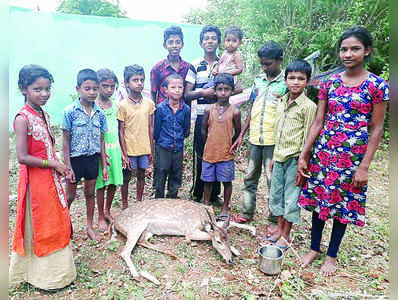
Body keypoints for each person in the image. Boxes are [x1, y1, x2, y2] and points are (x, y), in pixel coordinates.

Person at [297, 26, 389, 276]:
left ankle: (332, 254)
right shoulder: (329, 82)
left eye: (355, 49)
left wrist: (364, 166)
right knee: (319, 202)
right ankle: (314, 248)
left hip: (352, 158)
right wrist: (305, 154)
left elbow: (377, 129)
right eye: (344, 49)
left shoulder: (377, 85)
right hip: (325, 153)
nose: (348, 54)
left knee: (343, 206)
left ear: (366, 51)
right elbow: (318, 121)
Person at [9, 65, 76, 290]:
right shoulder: (22, 118)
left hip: (50, 178)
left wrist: (59, 166)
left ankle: (58, 273)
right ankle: (38, 274)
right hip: (35, 181)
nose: (44, 94)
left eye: (48, 89)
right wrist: (53, 164)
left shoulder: (43, 114)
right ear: (23, 89)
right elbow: (22, 156)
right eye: (38, 89)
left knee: (55, 220)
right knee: (40, 221)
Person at [231, 41, 288, 238]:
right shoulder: (258, 81)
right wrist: (241, 135)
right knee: (249, 177)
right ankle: (247, 212)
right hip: (255, 138)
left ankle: (273, 219)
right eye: (262, 64)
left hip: (274, 141)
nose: (265, 67)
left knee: (273, 180)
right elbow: (252, 109)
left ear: (279, 61)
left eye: (269, 64)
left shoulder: (287, 83)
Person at [185, 25, 243, 204]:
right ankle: (198, 193)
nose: (209, 41)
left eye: (213, 38)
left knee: (221, 153)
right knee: (202, 154)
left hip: (224, 117)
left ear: (219, 42)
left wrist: (221, 94)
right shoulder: (195, 65)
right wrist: (204, 93)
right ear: (200, 42)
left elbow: (239, 87)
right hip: (203, 115)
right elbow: (187, 94)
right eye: (206, 38)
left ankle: (215, 195)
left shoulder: (226, 62)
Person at [267, 59, 317, 249]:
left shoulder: (308, 107)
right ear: (286, 80)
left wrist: (303, 164)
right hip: (279, 157)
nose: (295, 82)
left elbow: (308, 138)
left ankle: (287, 235)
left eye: (300, 79)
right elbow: (277, 131)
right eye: (292, 78)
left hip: (295, 159)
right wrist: (273, 156)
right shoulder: (281, 101)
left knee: (291, 198)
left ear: (307, 82)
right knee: (276, 196)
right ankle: (279, 230)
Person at [62, 68, 109, 242]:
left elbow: (102, 141)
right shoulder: (70, 112)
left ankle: (89, 226)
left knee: (90, 193)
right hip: (74, 160)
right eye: (87, 88)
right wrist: (67, 165)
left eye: (95, 89)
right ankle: (64, 225)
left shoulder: (100, 114)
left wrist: (104, 165)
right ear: (78, 89)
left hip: (92, 159)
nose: (91, 92)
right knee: (70, 196)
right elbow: (65, 140)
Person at [201, 73, 241, 220]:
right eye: (220, 89)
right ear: (215, 91)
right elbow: (204, 130)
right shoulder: (208, 109)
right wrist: (209, 143)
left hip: (226, 153)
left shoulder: (235, 111)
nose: (223, 93)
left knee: (226, 180)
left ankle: (225, 207)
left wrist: (230, 144)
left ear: (232, 91)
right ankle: (206, 205)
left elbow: (237, 132)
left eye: (227, 89)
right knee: (208, 180)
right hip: (209, 152)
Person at [118, 64, 155, 207]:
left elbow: (151, 127)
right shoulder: (122, 105)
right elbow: (121, 130)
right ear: (127, 83)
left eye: (141, 80)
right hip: (129, 148)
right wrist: (124, 152)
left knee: (141, 175)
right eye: (135, 80)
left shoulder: (149, 104)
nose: (139, 83)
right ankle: (125, 204)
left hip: (144, 147)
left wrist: (151, 149)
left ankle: (139, 202)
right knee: (126, 177)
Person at [154, 74, 191, 198]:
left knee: (176, 174)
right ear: (166, 90)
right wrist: (160, 143)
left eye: (180, 87)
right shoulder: (160, 108)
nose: (177, 90)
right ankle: (158, 199)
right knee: (161, 172)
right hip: (163, 146)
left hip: (178, 147)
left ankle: (172, 198)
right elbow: (156, 130)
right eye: (173, 87)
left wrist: (179, 140)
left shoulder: (186, 109)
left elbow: (186, 129)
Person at [95, 69, 123, 230]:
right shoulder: (94, 106)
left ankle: (107, 210)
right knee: (101, 183)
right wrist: (100, 151)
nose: (108, 90)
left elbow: (119, 129)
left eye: (112, 87)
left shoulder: (116, 106)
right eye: (105, 86)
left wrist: (123, 153)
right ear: (98, 86)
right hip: (101, 150)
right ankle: (99, 215)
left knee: (113, 182)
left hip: (115, 148)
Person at [213, 26, 244, 90]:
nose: (230, 43)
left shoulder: (236, 54)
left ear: (240, 43)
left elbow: (240, 69)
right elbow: (219, 63)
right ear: (224, 41)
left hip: (229, 80)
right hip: (220, 78)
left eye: (234, 41)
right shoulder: (224, 52)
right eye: (228, 40)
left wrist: (226, 73)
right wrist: (215, 69)